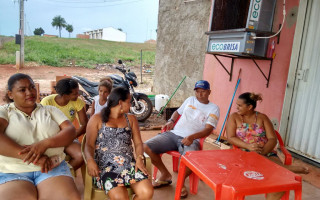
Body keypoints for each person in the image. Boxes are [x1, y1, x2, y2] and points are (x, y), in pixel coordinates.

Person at [0, 73, 80, 200]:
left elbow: (70, 131)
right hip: (13, 170)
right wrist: (34, 158)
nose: (30, 92)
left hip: (52, 167)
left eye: (32, 87)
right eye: (22, 90)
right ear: (10, 94)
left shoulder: (50, 110)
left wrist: (45, 144)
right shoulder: (5, 112)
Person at [144, 80, 220, 198]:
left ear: (209, 92)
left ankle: (181, 182)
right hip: (174, 134)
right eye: (197, 91)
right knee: (146, 146)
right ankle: (165, 174)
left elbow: (209, 129)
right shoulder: (190, 100)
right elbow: (177, 112)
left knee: (190, 159)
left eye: (203, 91)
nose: (199, 94)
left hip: (192, 139)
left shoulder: (213, 108)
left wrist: (192, 137)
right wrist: (171, 121)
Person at [226, 92, 309, 200]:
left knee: (280, 180)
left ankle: (284, 171)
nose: (237, 107)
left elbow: (272, 139)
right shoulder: (234, 117)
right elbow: (231, 137)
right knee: (274, 169)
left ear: (250, 107)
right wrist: (248, 146)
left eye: (240, 105)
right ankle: (289, 169)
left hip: (265, 152)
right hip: (243, 153)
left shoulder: (262, 118)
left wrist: (263, 152)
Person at [85, 87, 153, 200]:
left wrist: (140, 158)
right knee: (120, 198)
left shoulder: (131, 119)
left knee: (147, 192)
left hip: (129, 164)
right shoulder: (97, 119)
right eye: (129, 101)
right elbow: (89, 145)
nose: (131, 105)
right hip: (106, 167)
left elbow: (138, 143)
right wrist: (90, 160)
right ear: (120, 103)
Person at [41, 78, 88, 170]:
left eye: (78, 92)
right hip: (48, 138)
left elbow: (84, 124)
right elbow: (41, 124)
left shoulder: (78, 102)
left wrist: (71, 136)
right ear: (65, 95)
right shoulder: (47, 102)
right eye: (74, 93)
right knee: (44, 158)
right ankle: (50, 177)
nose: (78, 95)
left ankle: (65, 173)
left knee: (80, 156)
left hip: (68, 138)